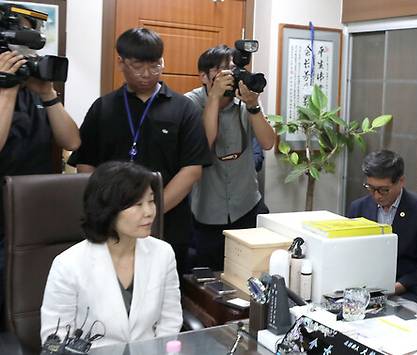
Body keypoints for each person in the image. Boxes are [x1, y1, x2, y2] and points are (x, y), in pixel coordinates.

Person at [67, 28, 212, 276]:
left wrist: (150, 211)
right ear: (121, 62)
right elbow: (86, 165)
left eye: (155, 65)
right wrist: (111, 212)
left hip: (169, 225)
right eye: (137, 66)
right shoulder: (104, 108)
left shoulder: (183, 108)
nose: (147, 74)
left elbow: (192, 169)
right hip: (112, 225)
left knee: (164, 293)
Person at [40, 161, 182, 348]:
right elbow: (55, 338)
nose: (149, 212)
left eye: (151, 201)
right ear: (108, 209)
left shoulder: (163, 253)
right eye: (137, 204)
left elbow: (170, 322)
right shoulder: (68, 264)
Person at [0, 5, 80, 328]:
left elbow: (72, 141)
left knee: (33, 304)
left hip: (35, 214)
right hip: (1, 217)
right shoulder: (7, 89)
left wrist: (48, 94)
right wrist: (6, 92)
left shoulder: (34, 87)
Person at [185, 45, 275, 271]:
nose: (229, 76)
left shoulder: (243, 102)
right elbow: (203, 146)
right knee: (210, 282)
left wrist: (253, 104)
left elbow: (268, 142)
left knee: (253, 273)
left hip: (247, 205)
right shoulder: (190, 104)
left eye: (232, 70)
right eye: (221, 70)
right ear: (204, 77)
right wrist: (214, 99)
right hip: (207, 211)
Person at [347, 150, 417, 316]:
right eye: (371, 188)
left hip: (407, 293)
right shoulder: (358, 208)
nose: (376, 195)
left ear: (401, 181)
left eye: (384, 190)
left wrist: (396, 287)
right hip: (363, 292)